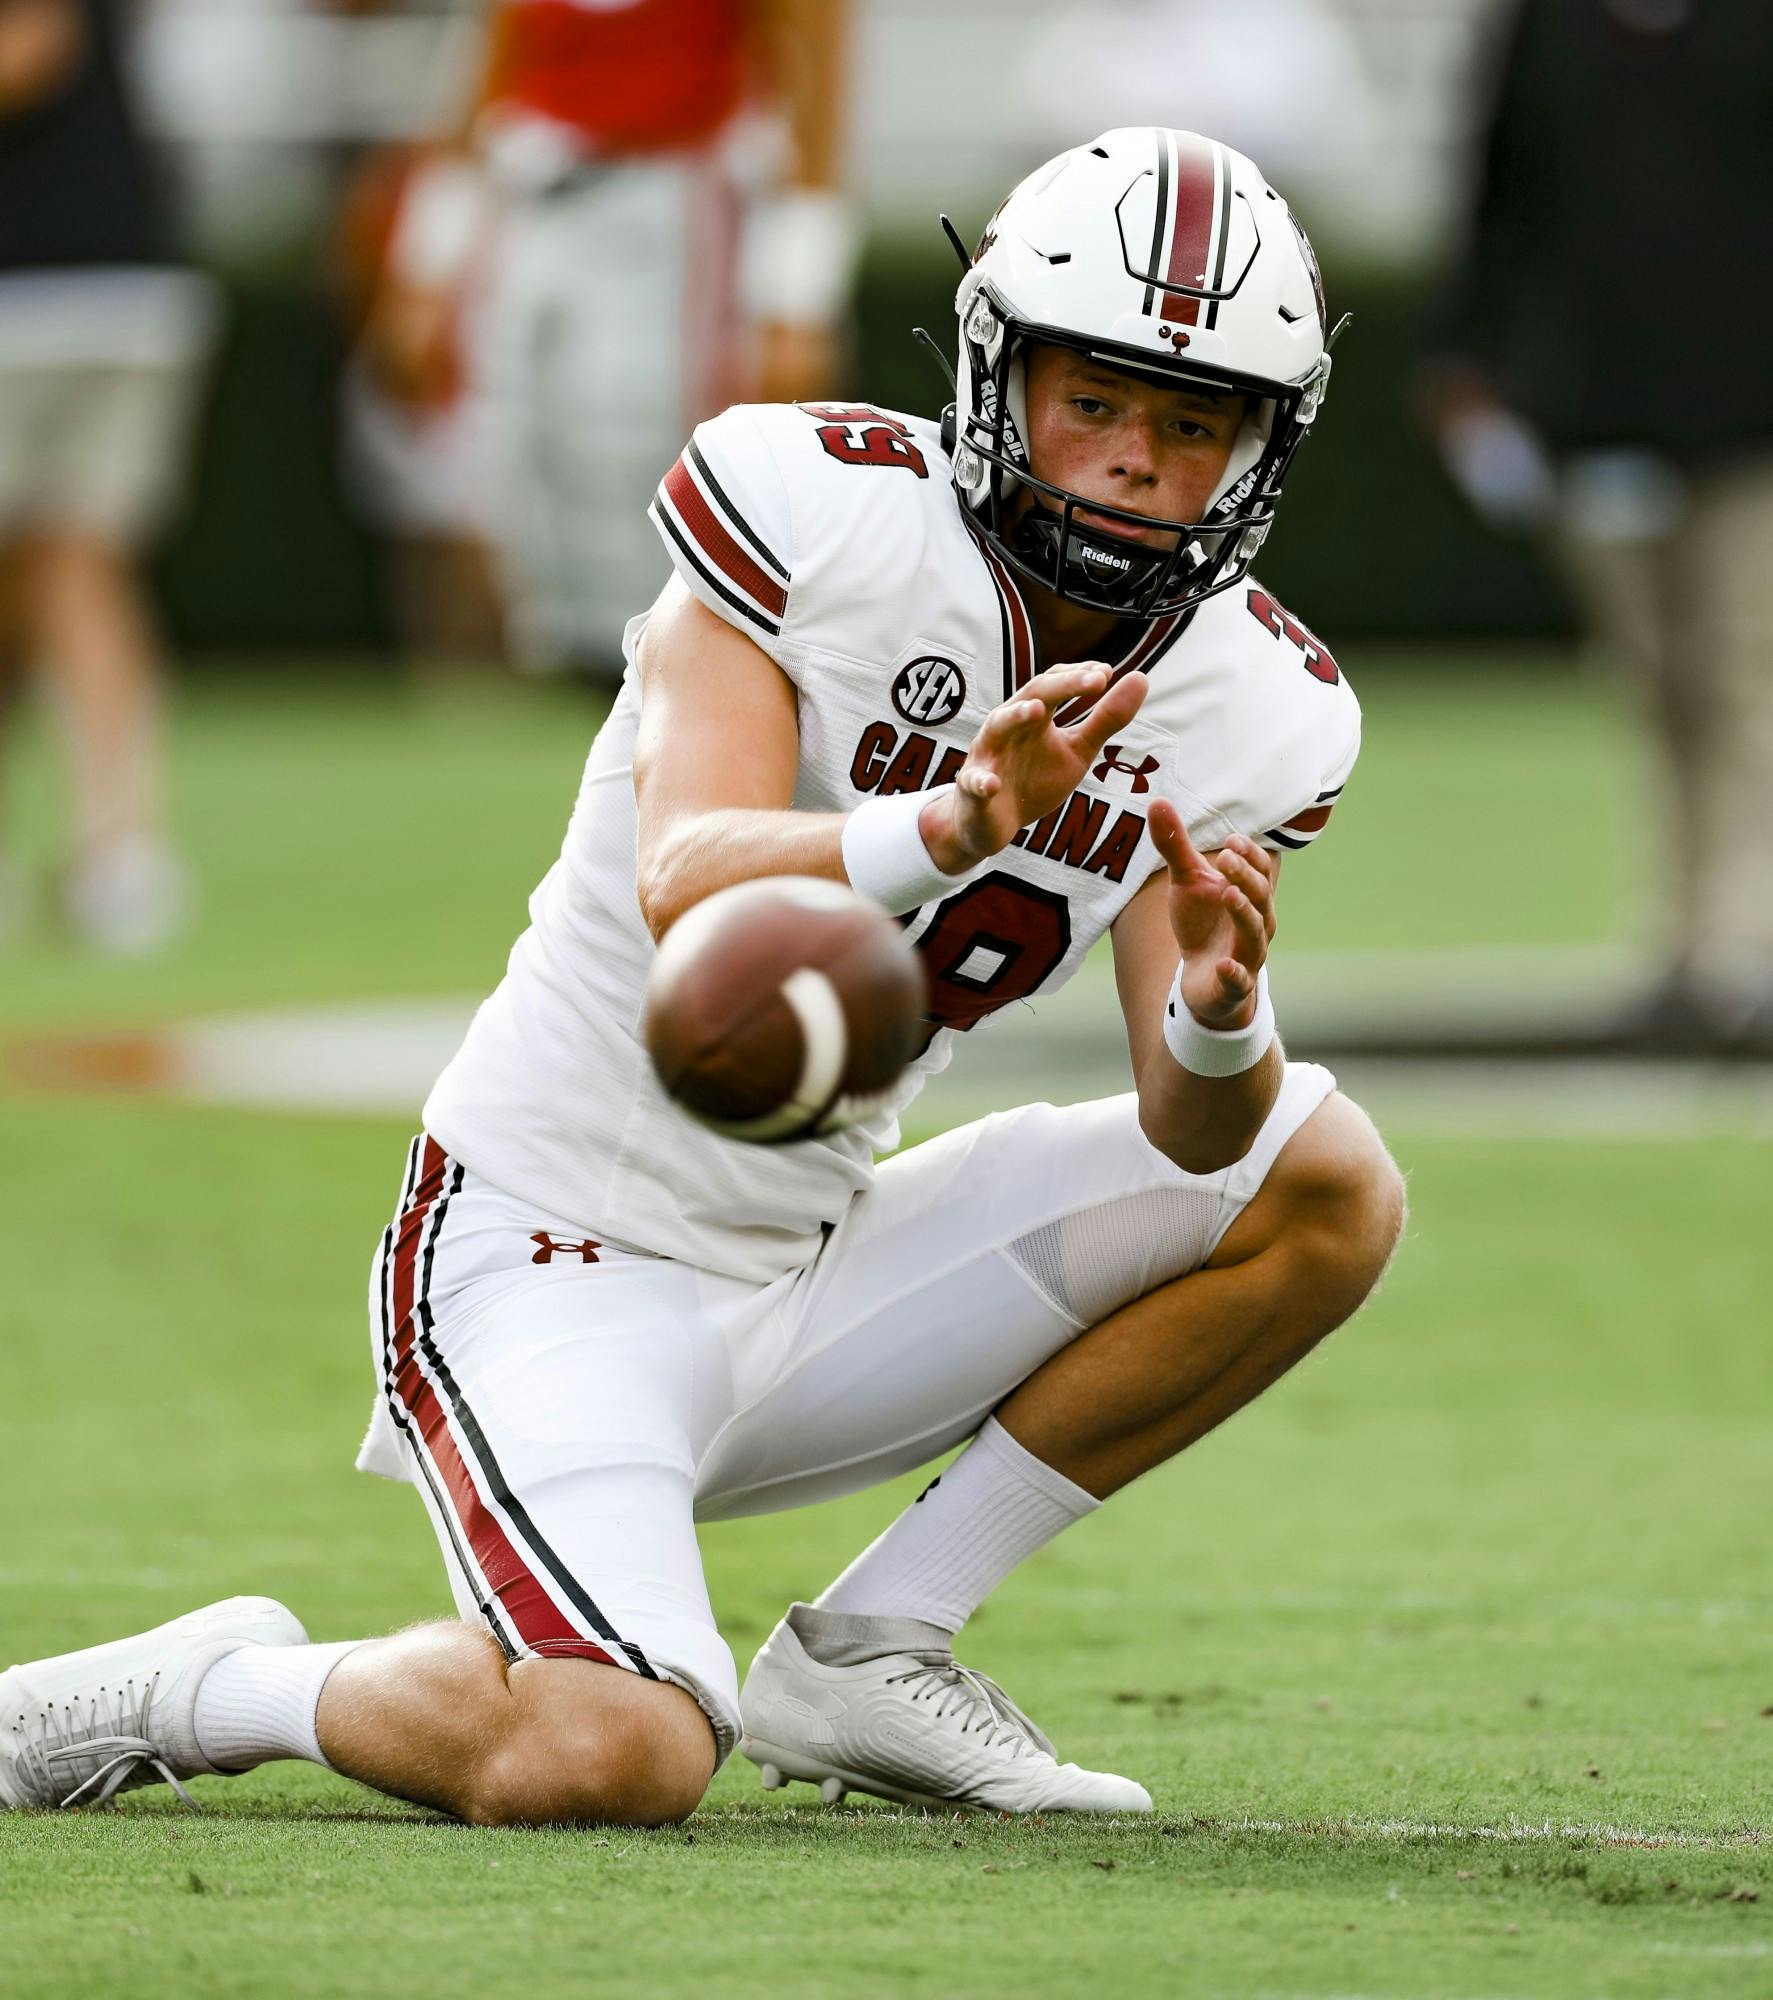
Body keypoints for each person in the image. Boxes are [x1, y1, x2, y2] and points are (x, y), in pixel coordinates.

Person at [2, 129, 1406, 1824]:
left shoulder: (1256, 701)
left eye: (1188, 427)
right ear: (994, 374)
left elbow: (1197, 1135)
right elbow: (691, 879)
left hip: (809, 1268)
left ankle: (878, 1641)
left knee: (1320, 1177)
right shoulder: (810, 507)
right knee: (611, 1752)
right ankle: (208, 1685)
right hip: (546, 1248)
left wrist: (1223, 1011)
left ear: (1255, 452)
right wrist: (954, 817)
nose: (1127, 461)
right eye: (1091, 401)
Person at [1419, 0, 1773, 1051]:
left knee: (1744, 678)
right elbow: (1497, 192)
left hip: (1753, 423)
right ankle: (1683, 944)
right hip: (1595, 423)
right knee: (1659, 682)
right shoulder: (1546, 25)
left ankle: (1733, 946)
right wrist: (1462, 367)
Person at [362, 0, 855, 680]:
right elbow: (485, 63)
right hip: (531, 194)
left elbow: (814, 74)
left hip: (665, 195)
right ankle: (611, 712)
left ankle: (686, 715)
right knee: (522, 477)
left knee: (646, 473)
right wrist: (428, 261)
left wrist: (798, 289)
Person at [0, 0, 216, 950]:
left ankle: (119, 855)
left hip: (52, 292)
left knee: (75, 564)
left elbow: (31, 46)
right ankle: (116, 855)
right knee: (65, 570)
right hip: (106, 283)